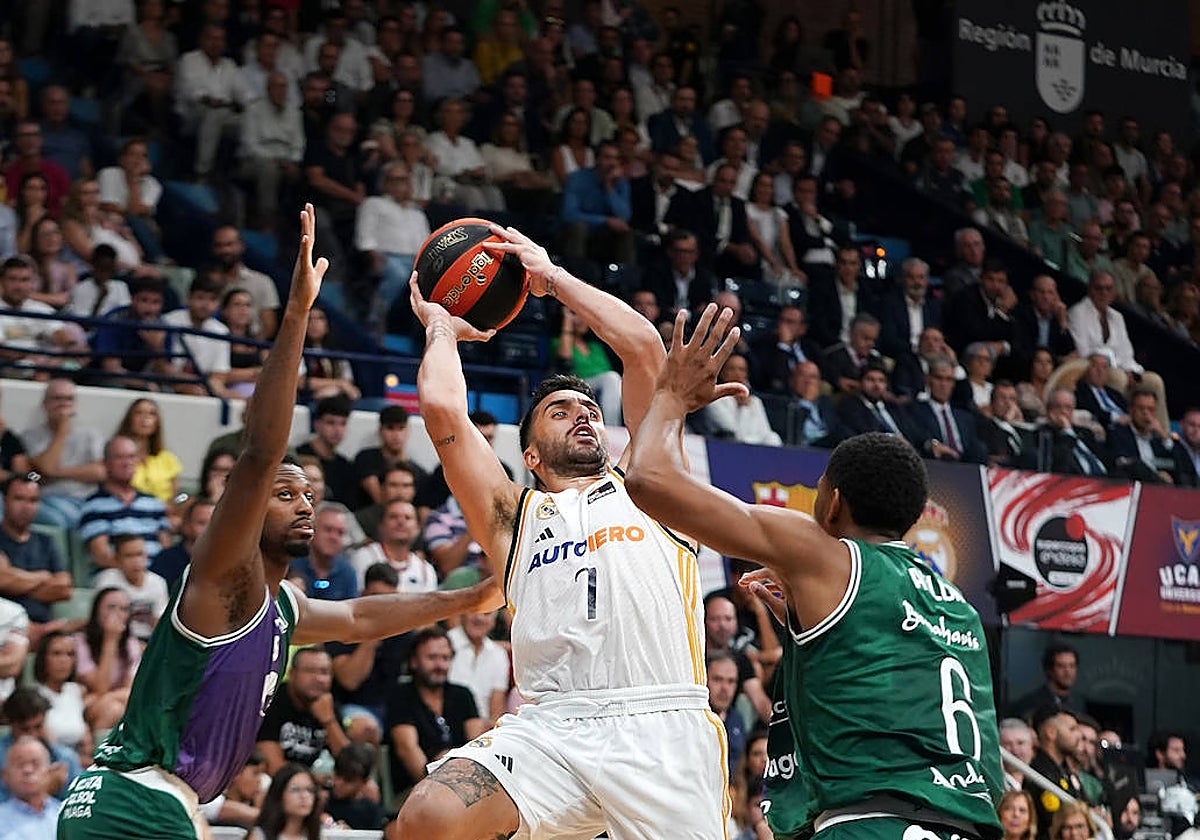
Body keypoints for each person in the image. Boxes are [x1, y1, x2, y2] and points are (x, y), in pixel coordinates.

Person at [56, 206, 500, 840]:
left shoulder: (281, 609)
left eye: (309, 495)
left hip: (155, 803)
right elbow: (262, 452)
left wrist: (472, 596)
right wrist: (294, 317)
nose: (304, 502)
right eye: (285, 494)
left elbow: (362, 616)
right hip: (134, 800)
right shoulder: (223, 576)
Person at [393, 224, 729, 838]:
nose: (584, 415)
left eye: (591, 411)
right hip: (551, 730)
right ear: (529, 457)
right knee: (429, 815)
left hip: (662, 725)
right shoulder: (510, 516)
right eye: (561, 410)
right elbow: (442, 409)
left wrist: (552, 280)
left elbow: (643, 350)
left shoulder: (652, 487)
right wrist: (441, 326)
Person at [623, 304, 1005, 840]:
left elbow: (647, 481)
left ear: (833, 504)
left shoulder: (824, 552)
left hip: (872, 825)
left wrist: (670, 396)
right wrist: (805, 630)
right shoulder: (957, 606)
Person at [386, 626, 485, 794]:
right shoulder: (401, 695)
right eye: (432, 658)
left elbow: (477, 744)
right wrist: (435, 782)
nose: (440, 665)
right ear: (414, 661)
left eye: (445, 658)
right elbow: (406, 748)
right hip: (416, 789)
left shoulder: (463, 695)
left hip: (465, 786)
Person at [92, 534, 169, 641]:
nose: (136, 561)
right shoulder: (107, 580)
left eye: (139, 554)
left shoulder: (158, 582)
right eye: (129, 556)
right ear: (116, 559)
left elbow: (160, 623)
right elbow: (100, 620)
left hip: (148, 640)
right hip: (116, 639)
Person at [0, 736, 60, 839]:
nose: (28, 770)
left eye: (35, 764)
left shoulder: (64, 815)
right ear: (5, 775)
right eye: (20, 765)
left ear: (50, 772)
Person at [245, 763, 322, 840]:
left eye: (310, 790)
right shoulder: (259, 836)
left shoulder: (321, 836)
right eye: (295, 789)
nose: (304, 796)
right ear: (279, 794)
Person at [1008, 643, 1083, 719]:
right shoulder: (1031, 703)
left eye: (1072, 666)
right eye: (1061, 666)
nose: (1068, 672)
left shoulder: (1078, 702)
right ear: (1049, 670)